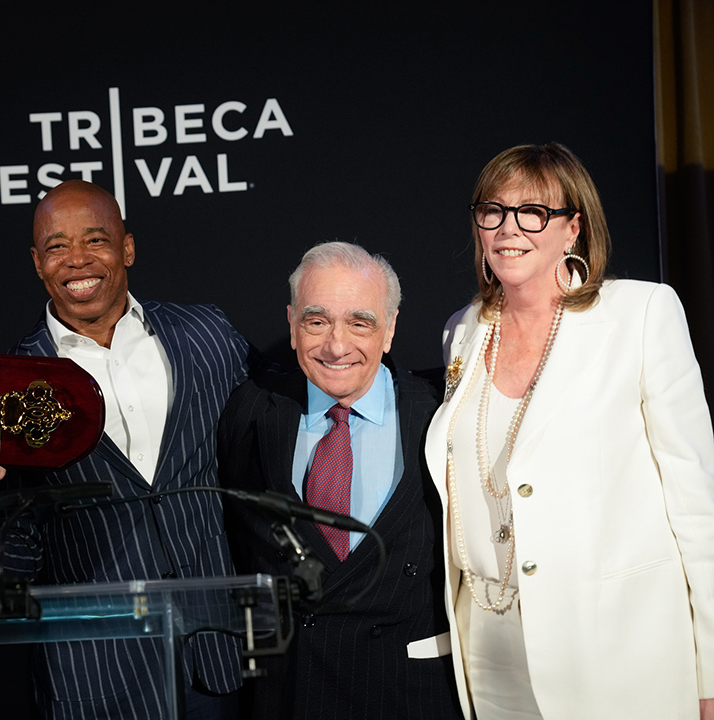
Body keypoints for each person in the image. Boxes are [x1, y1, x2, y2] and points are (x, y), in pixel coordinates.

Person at [0, 180, 268, 719]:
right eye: (56, 247)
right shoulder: (6, 388)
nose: (77, 260)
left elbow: (274, 436)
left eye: (95, 240)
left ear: (127, 248)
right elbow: (18, 557)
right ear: (36, 262)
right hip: (96, 677)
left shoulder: (206, 336)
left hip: (219, 661)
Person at [423, 142, 714, 720]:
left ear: (573, 228)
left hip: (619, 654)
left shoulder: (642, 314)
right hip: (489, 651)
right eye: (493, 210)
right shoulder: (464, 330)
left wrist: (711, 672)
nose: (509, 229)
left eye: (533, 212)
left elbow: (696, 504)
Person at [216, 241, 464, 720]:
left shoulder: (440, 414)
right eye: (316, 321)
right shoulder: (250, 412)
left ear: (389, 329)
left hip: (411, 694)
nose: (335, 344)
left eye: (360, 322)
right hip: (293, 695)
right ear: (291, 325)